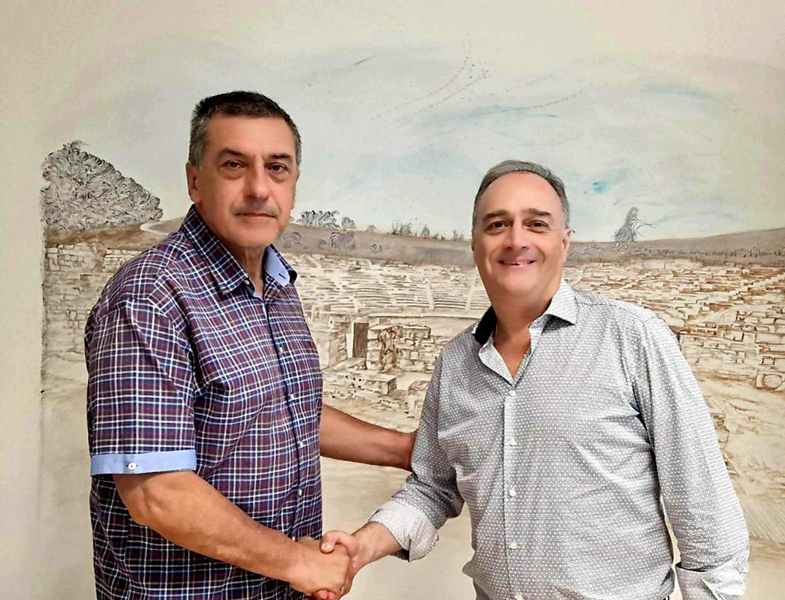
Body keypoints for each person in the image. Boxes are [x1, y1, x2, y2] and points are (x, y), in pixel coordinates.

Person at [319, 160, 750, 600]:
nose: (516, 239)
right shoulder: (455, 363)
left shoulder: (633, 338)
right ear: (475, 243)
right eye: (497, 224)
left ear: (564, 243)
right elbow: (432, 487)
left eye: (536, 224)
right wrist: (361, 547)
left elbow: (706, 515)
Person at [84, 91, 414, 600]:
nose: (259, 188)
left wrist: (405, 450)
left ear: (293, 182)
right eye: (234, 165)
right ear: (195, 180)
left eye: (277, 168)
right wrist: (298, 562)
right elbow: (156, 491)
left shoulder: (276, 286)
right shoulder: (150, 296)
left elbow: (282, 410)